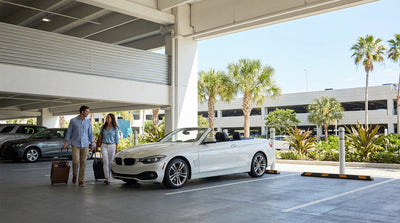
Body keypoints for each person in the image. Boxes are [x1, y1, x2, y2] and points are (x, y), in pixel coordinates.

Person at [63, 105, 94, 187]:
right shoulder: (73, 121)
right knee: (75, 162)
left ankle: (81, 180)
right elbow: (69, 132)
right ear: (82, 112)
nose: (88, 113)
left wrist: (92, 143)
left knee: (83, 163)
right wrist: (66, 143)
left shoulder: (88, 122)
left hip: (85, 145)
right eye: (87, 111)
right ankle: (74, 175)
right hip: (75, 144)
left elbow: (90, 134)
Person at [98, 113, 119, 184]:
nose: (107, 119)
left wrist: (117, 148)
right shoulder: (103, 127)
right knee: (105, 161)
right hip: (104, 145)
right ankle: (106, 177)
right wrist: (98, 145)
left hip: (112, 146)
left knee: (110, 162)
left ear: (112, 119)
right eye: (107, 117)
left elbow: (116, 139)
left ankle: (109, 176)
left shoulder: (115, 128)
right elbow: (100, 136)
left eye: (109, 118)